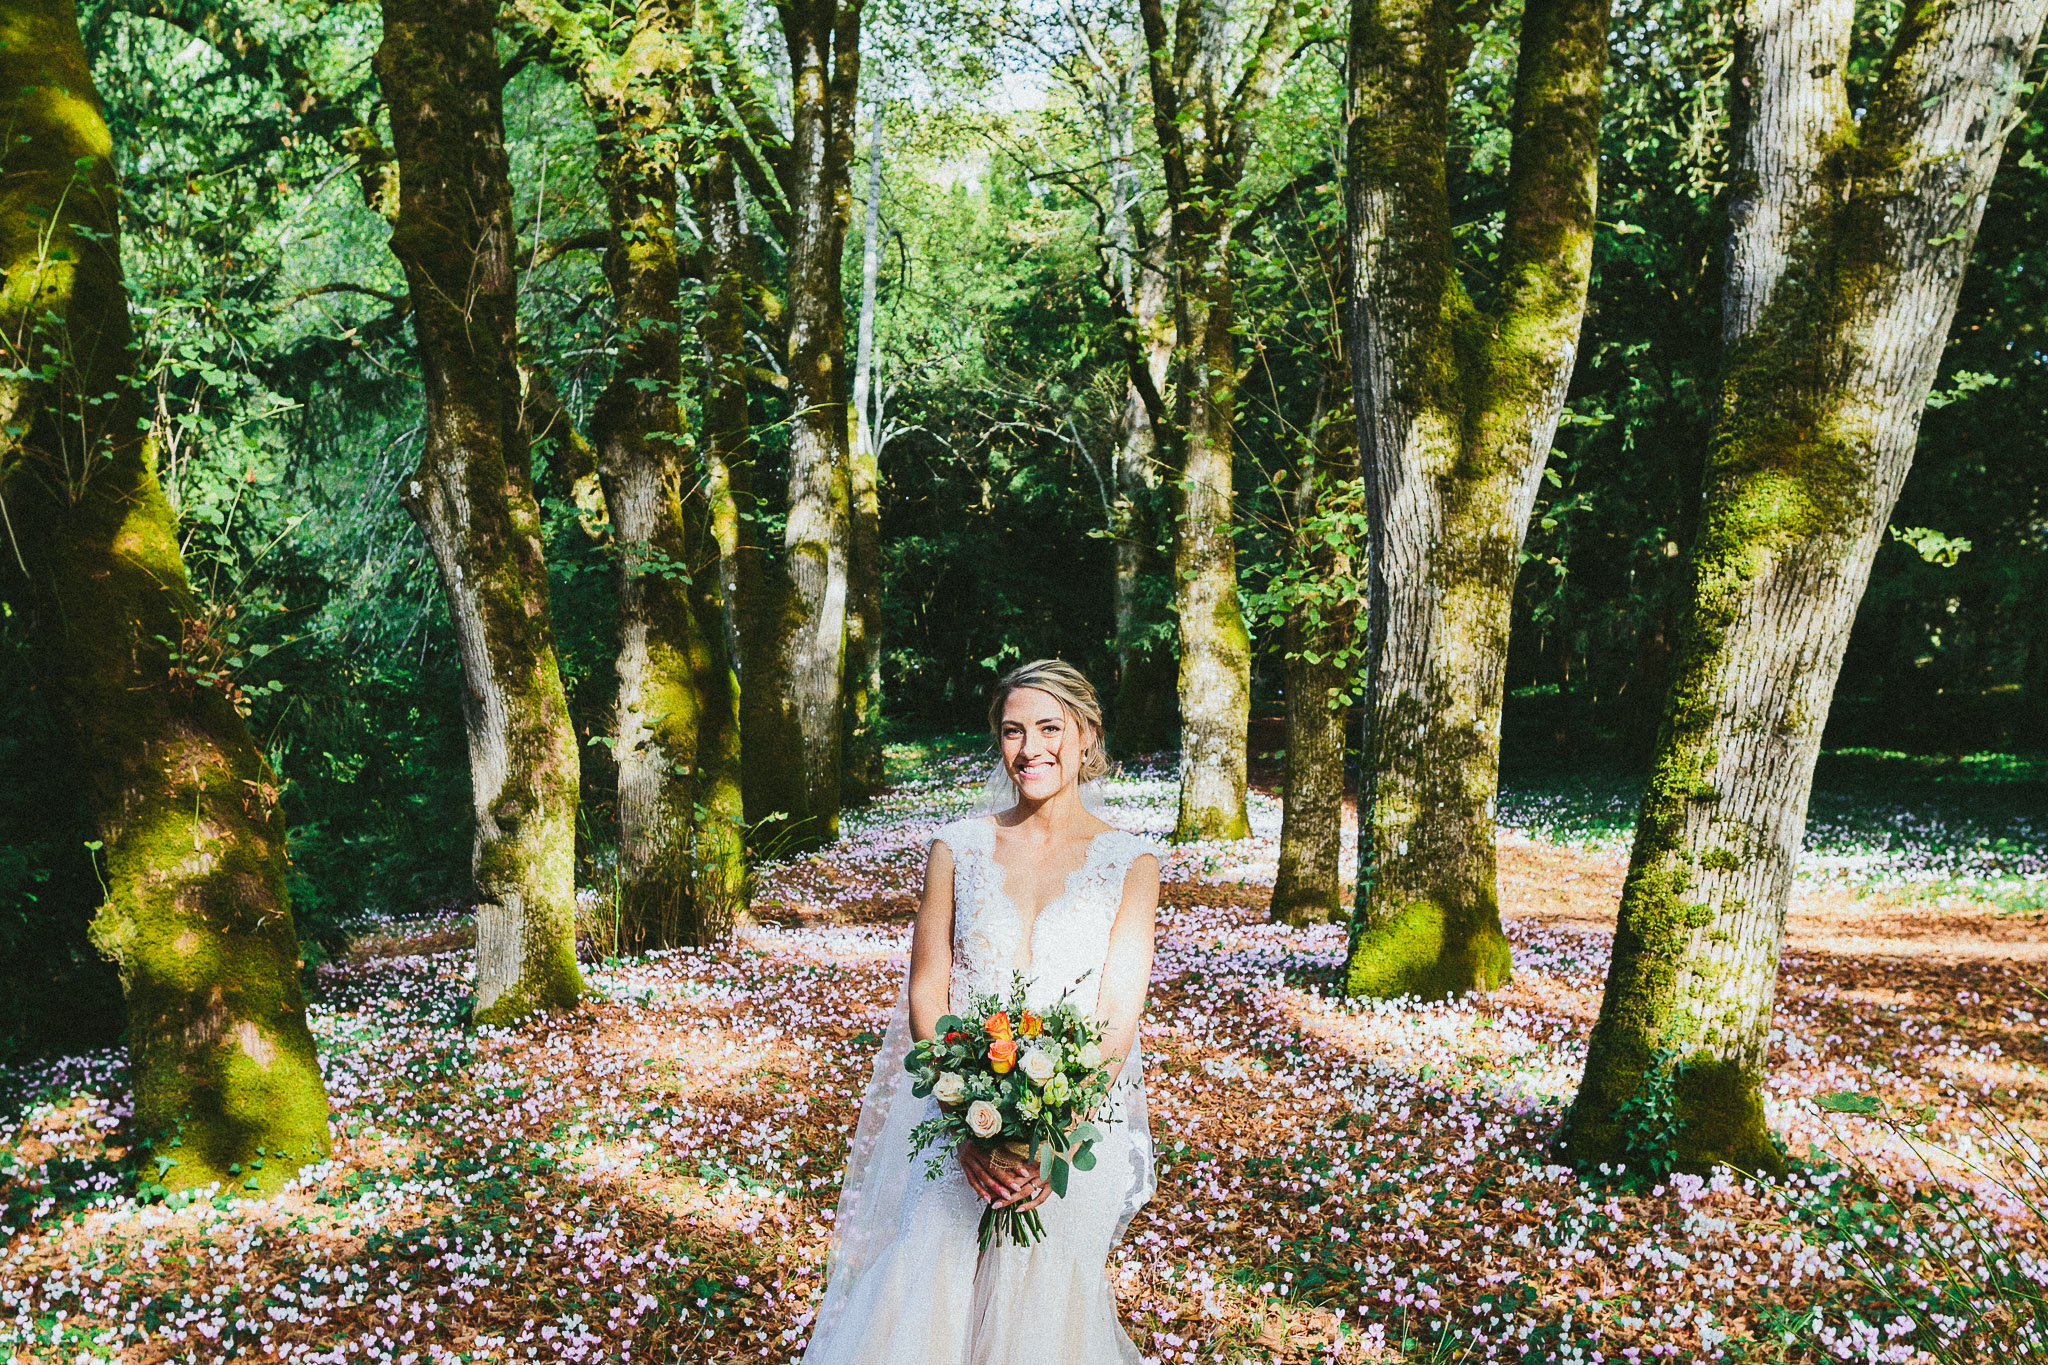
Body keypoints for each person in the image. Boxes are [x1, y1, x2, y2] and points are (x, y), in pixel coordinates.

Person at [801, 659, 1161, 1365]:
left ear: (1086, 734)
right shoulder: (958, 847)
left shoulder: (1131, 861)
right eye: (1012, 731)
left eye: (1050, 727)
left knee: (1046, 1311)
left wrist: (1053, 1138)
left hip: (1073, 1131)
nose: (1031, 748)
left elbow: (1119, 1014)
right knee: (926, 1285)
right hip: (953, 1123)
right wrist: (971, 1121)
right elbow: (927, 993)